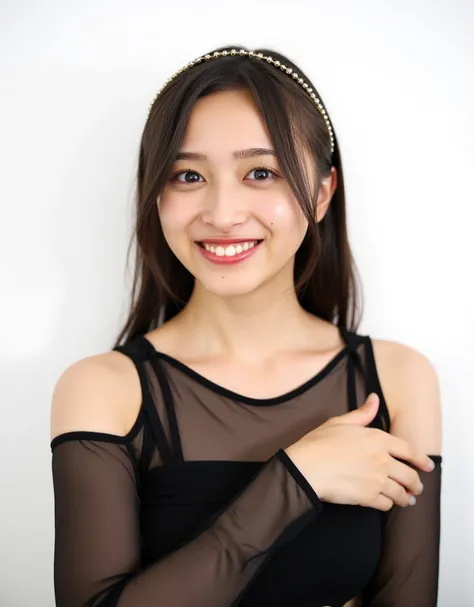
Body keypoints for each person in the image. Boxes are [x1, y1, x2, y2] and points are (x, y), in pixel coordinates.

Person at [50, 45, 443, 607]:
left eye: (261, 172)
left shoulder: (397, 379)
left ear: (322, 192)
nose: (222, 213)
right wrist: (296, 480)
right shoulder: (102, 388)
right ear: (155, 194)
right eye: (188, 175)